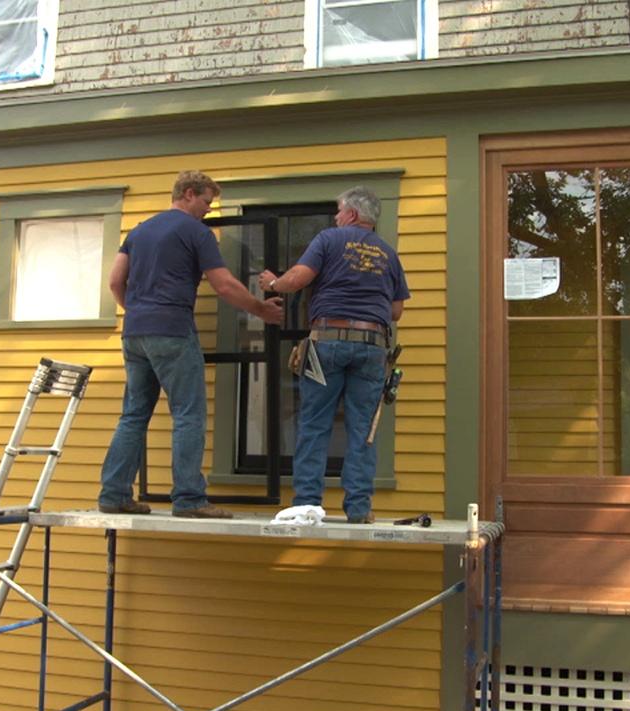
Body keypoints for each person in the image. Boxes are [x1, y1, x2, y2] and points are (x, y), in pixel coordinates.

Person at [99, 170, 283, 519]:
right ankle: (189, 499)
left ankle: (114, 494)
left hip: (135, 333)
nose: (207, 211)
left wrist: (139, 312)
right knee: (188, 414)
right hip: (171, 329)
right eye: (205, 202)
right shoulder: (196, 232)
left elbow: (114, 282)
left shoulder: (137, 232)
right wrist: (261, 310)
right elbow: (225, 285)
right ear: (187, 193)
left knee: (134, 415)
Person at [258, 186, 408, 523]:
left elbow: (298, 279)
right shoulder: (388, 253)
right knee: (363, 430)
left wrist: (272, 283)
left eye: (339, 211)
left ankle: (308, 504)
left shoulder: (329, 239)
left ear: (352, 214)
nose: (336, 216)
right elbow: (395, 311)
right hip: (372, 346)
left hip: (327, 342)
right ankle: (358, 509)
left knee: (314, 423)